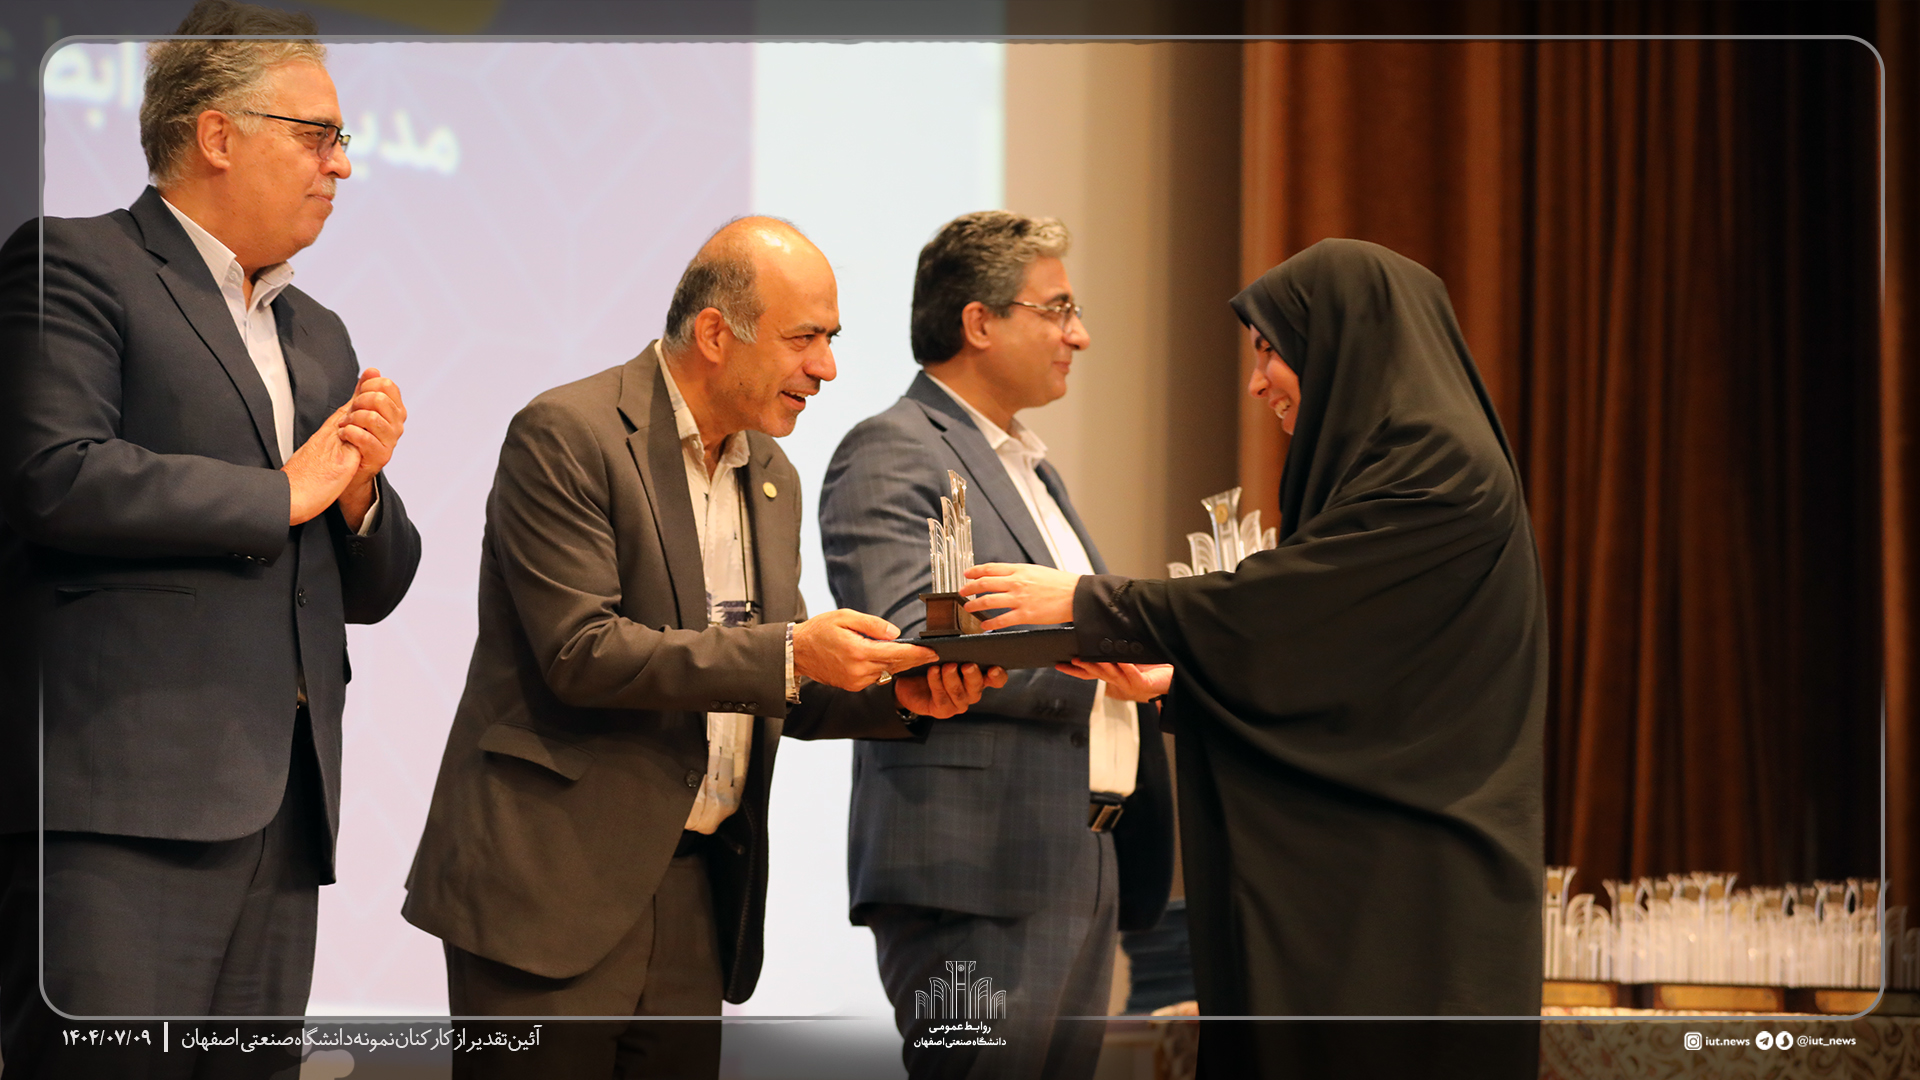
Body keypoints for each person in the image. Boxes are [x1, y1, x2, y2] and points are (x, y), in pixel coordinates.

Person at [402, 216, 1003, 1079]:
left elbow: (772, 677)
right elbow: (583, 652)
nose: (827, 369)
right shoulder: (568, 432)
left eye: (831, 341)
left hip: (695, 891)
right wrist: (793, 653)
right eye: (804, 338)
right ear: (717, 334)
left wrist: (899, 694)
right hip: (551, 890)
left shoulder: (772, 476)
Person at [958, 239, 1546, 1066]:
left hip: (1417, 898)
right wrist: (1172, 686)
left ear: (1344, 343)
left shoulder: (1437, 462)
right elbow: (1341, 670)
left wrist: (1088, 604)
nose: (1256, 381)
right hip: (1383, 879)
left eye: (1271, 351)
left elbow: (1288, 609)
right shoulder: (1402, 459)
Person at [0, 0, 421, 1072]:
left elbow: (369, 586)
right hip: (119, 808)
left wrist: (360, 495)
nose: (341, 164)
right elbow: (55, 475)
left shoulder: (318, 332)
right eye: (317, 135)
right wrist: (281, 492)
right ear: (218, 134)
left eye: (341, 140)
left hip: (282, 817)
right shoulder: (75, 264)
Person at [819, 211, 1173, 1080]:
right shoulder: (892, 448)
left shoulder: (1032, 466)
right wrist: (1102, 659)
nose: (1079, 335)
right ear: (979, 322)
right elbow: (907, 641)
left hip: (1079, 853)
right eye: (1058, 309)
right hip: (974, 867)